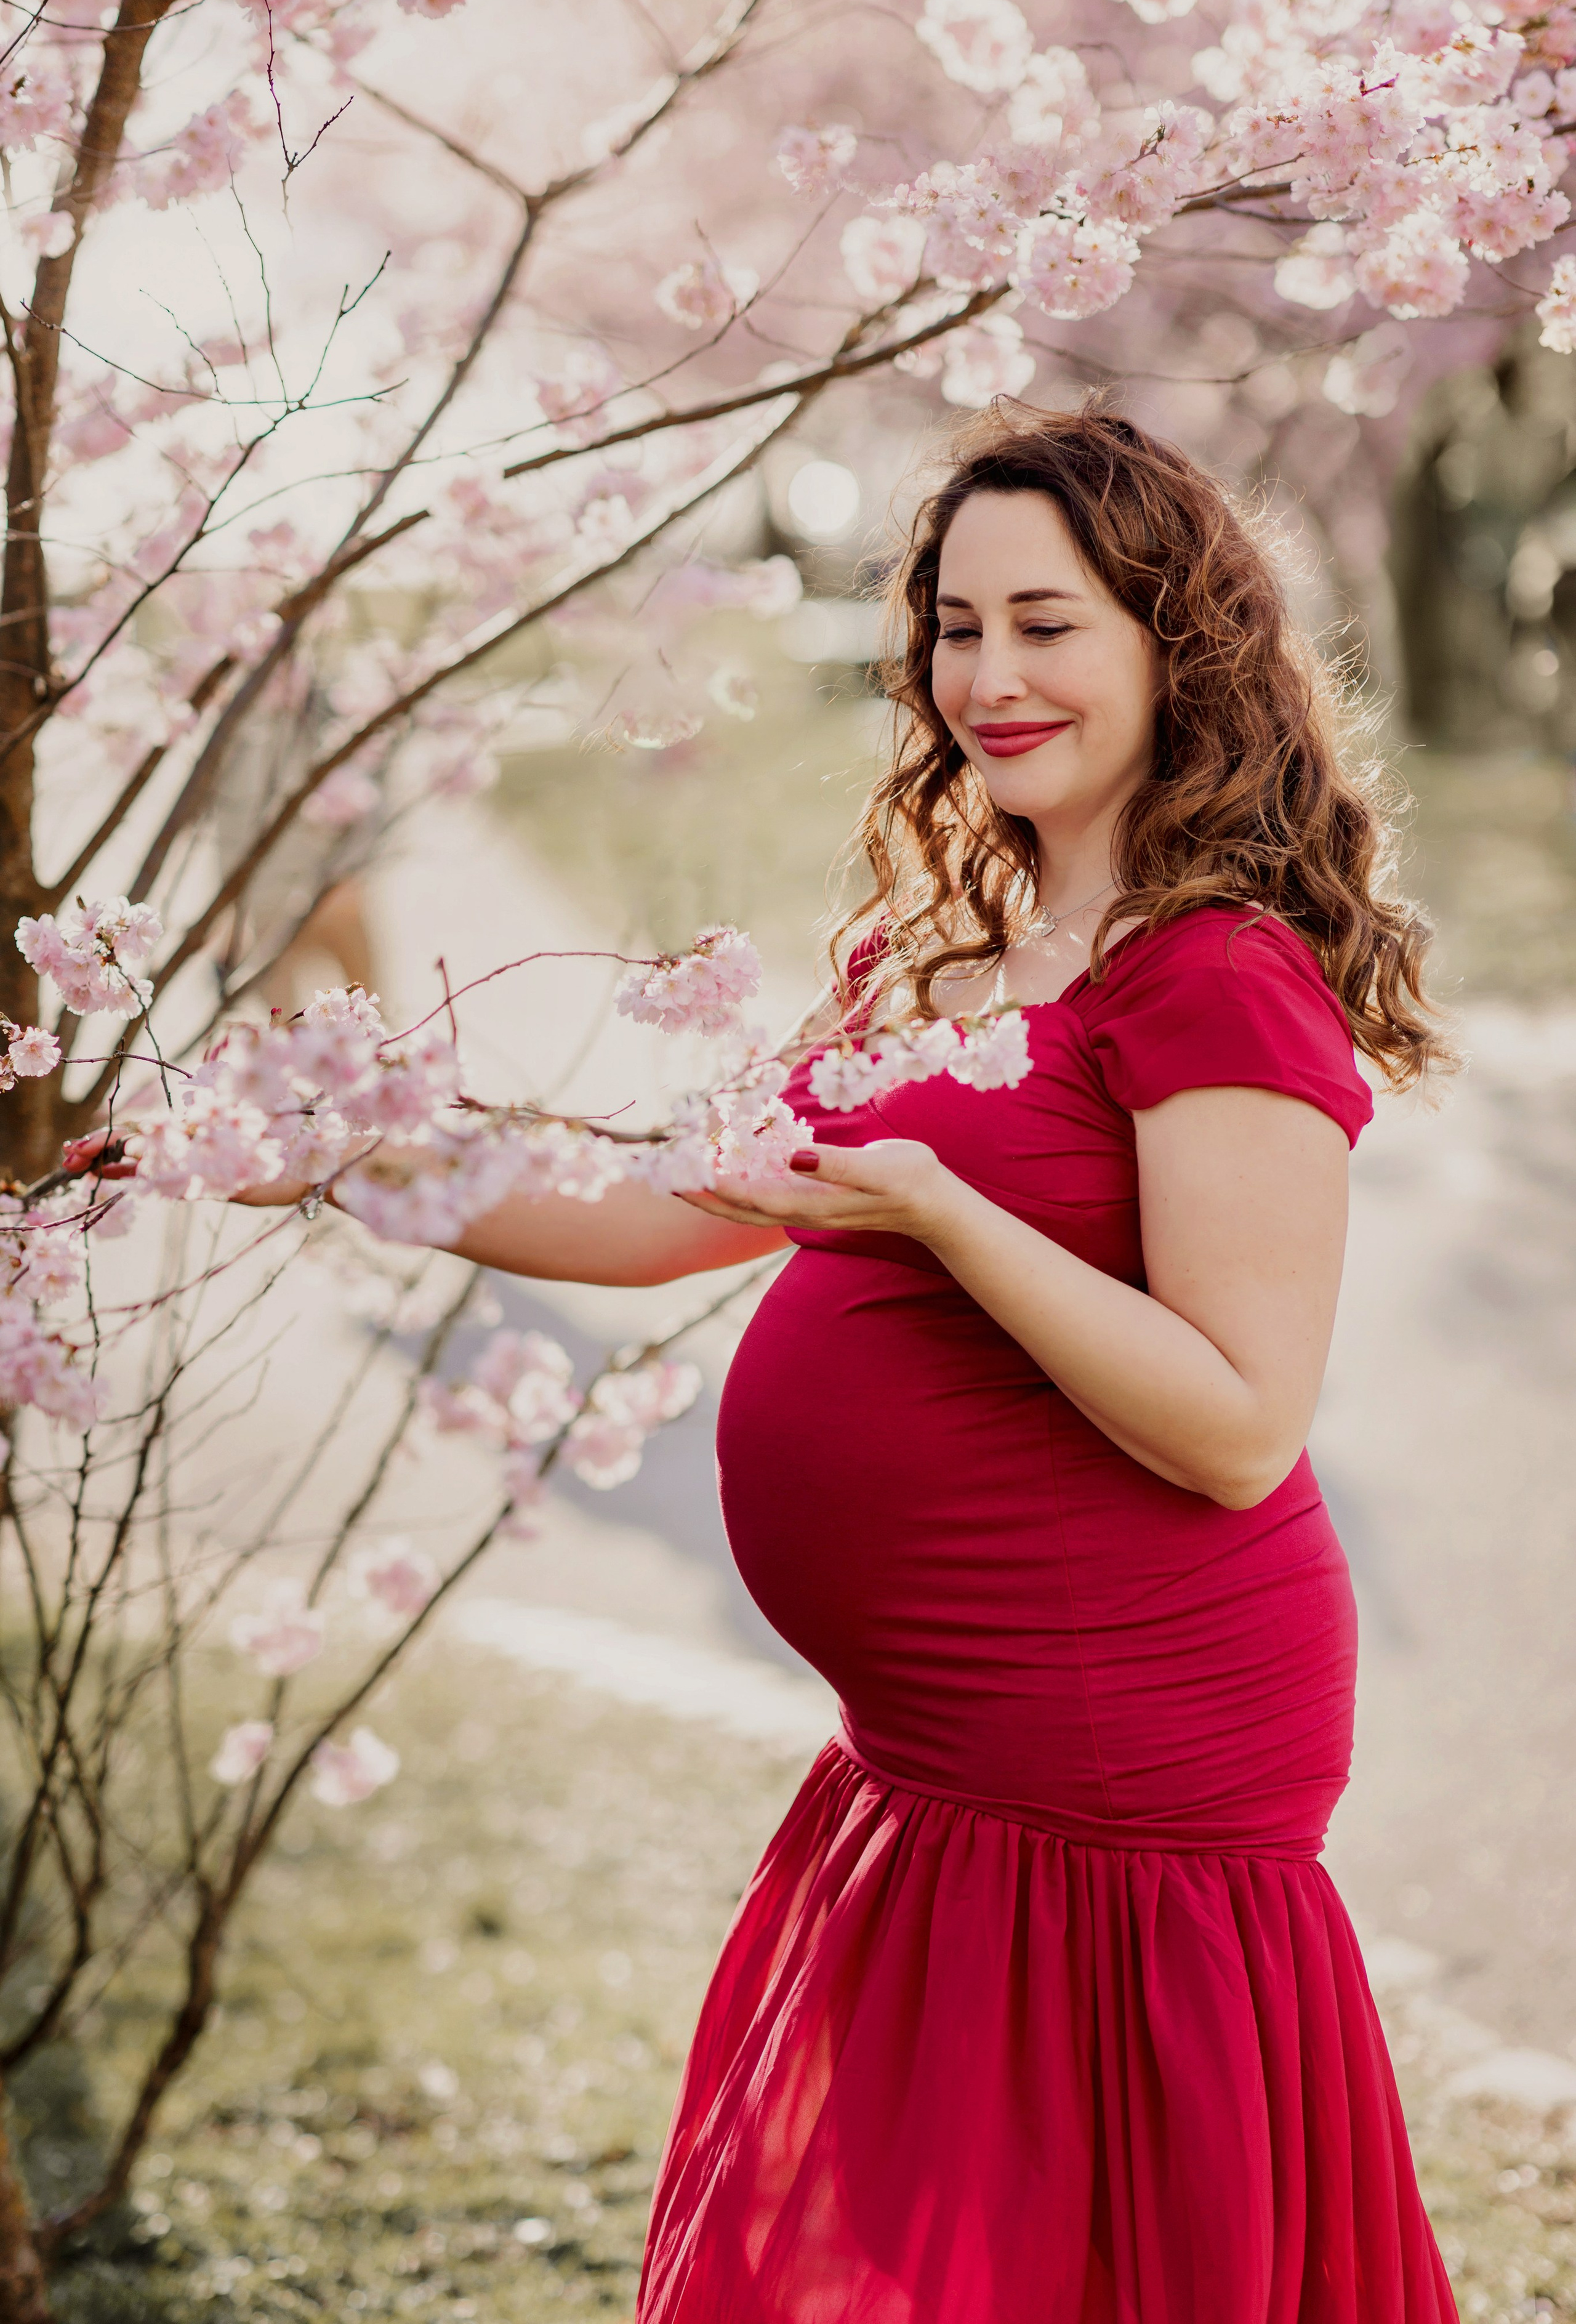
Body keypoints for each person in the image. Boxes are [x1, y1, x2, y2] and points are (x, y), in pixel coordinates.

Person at [228, 403, 1462, 2317]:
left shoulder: (1214, 971)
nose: (990, 676)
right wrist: (337, 1165)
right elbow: (656, 1219)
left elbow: (1238, 1427)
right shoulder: (940, 948)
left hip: (1124, 1754)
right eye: (955, 627)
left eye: (1048, 624)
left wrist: (946, 1220)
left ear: (1171, 638)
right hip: (935, 1758)